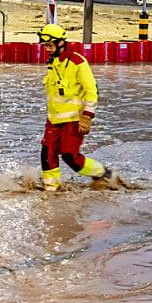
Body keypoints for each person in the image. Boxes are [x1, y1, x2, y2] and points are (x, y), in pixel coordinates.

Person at [37, 24, 113, 191]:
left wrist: (88, 115)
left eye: (50, 45)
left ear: (61, 43)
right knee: (47, 154)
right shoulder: (53, 62)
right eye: (45, 46)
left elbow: (92, 90)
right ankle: (51, 190)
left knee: (69, 156)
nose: (47, 49)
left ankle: (103, 173)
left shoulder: (78, 62)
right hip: (53, 119)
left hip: (74, 120)